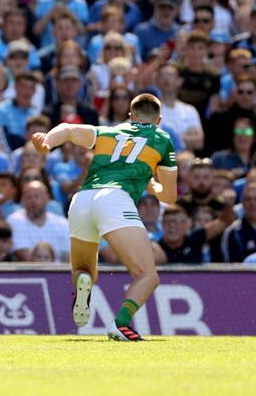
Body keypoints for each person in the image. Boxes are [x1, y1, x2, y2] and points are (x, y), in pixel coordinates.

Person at [32, 93, 177, 341]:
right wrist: (154, 187)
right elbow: (170, 196)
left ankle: (82, 285)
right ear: (159, 119)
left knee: (83, 269)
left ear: (130, 116)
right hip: (115, 199)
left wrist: (46, 142)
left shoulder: (108, 132)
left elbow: (67, 129)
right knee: (147, 275)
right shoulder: (162, 139)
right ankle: (120, 324)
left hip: (82, 198)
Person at [6, 180, 71, 262]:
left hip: (59, 274)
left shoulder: (63, 224)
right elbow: (25, 256)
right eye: (28, 197)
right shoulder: (14, 221)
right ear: (22, 200)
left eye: (36, 196)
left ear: (47, 198)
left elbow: (69, 257)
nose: (32, 201)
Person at [156, 203, 234, 264]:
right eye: (168, 222)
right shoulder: (156, 249)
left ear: (187, 225)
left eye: (177, 222)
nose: (172, 226)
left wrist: (228, 204)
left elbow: (226, 221)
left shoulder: (195, 238)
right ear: (162, 225)